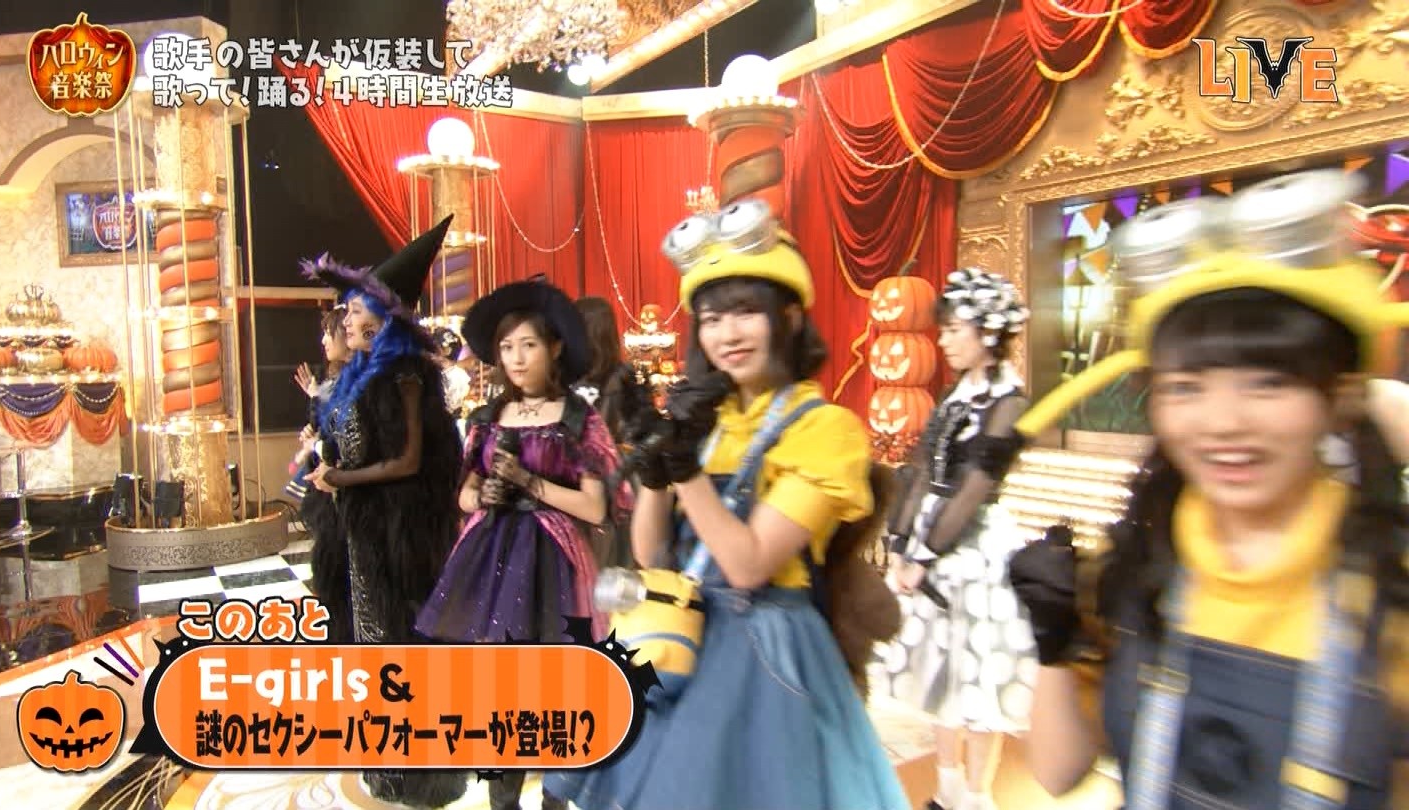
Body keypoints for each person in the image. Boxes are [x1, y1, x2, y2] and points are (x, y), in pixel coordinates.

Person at [1005, 171, 1409, 809]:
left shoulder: (1392, 588)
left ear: (1338, 397)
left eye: (1268, 383)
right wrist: (1054, 642)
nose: (1223, 423)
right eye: (1186, 387)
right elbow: (1058, 770)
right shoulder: (1134, 567)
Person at [545, 198, 908, 810]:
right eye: (711, 319)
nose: (727, 335)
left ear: (789, 316)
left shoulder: (825, 430)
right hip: (680, 634)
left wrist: (685, 466)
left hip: (765, 655)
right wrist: (656, 459)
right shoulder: (710, 423)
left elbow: (748, 563)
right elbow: (651, 553)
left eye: (746, 313)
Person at [414, 278, 627, 810]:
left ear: (554, 348)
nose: (516, 357)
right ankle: (502, 799)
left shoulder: (578, 418)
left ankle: (556, 798)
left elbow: (595, 507)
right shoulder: (487, 419)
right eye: (506, 347)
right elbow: (464, 494)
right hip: (490, 563)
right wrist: (482, 494)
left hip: (556, 565)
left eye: (528, 344)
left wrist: (531, 484)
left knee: (556, 690)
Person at [300, 217, 468, 809]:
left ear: (385, 315)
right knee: (373, 642)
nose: (347, 320)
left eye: (356, 311)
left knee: (402, 644)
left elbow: (407, 461)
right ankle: (386, 767)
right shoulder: (364, 374)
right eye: (347, 312)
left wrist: (339, 478)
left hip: (399, 539)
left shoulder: (405, 375)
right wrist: (330, 467)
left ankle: (420, 775)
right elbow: (358, 447)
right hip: (364, 534)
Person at [877, 266, 1035, 810]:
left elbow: (975, 486)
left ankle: (977, 795)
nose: (942, 340)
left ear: (987, 333)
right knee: (941, 674)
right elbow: (922, 469)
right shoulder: (954, 393)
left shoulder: (1009, 400)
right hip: (932, 534)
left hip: (977, 545)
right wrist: (900, 542)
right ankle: (945, 791)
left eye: (952, 330)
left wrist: (925, 553)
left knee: (979, 677)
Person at [287, 303, 353, 642]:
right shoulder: (334, 384)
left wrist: (317, 445)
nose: (324, 340)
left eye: (330, 333)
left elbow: (346, 448)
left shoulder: (357, 388)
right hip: (331, 497)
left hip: (351, 500)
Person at [574, 295, 649, 569]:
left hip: (577, 473)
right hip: (619, 473)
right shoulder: (624, 375)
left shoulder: (563, 376)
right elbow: (641, 426)